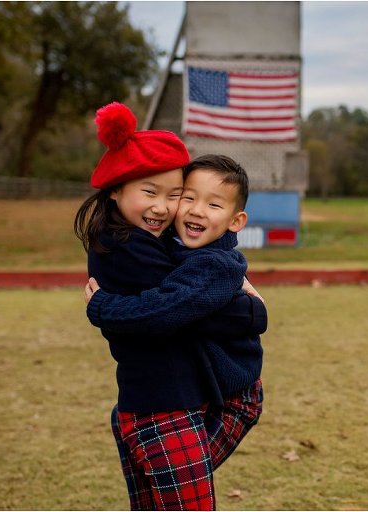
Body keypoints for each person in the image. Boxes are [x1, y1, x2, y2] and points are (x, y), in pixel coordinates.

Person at [74, 103, 265, 511]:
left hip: (156, 403)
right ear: (115, 189)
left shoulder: (154, 244)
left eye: (173, 194)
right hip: (164, 410)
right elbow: (174, 309)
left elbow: (188, 304)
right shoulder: (129, 246)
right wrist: (252, 313)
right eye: (149, 192)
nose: (163, 207)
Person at [85, 153, 266, 455]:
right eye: (188, 198)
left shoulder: (214, 264)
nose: (196, 211)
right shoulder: (172, 244)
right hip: (206, 391)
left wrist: (104, 307)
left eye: (214, 204)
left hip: (233, 396)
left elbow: (168, 309)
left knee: (182, 495)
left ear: (236, 221)